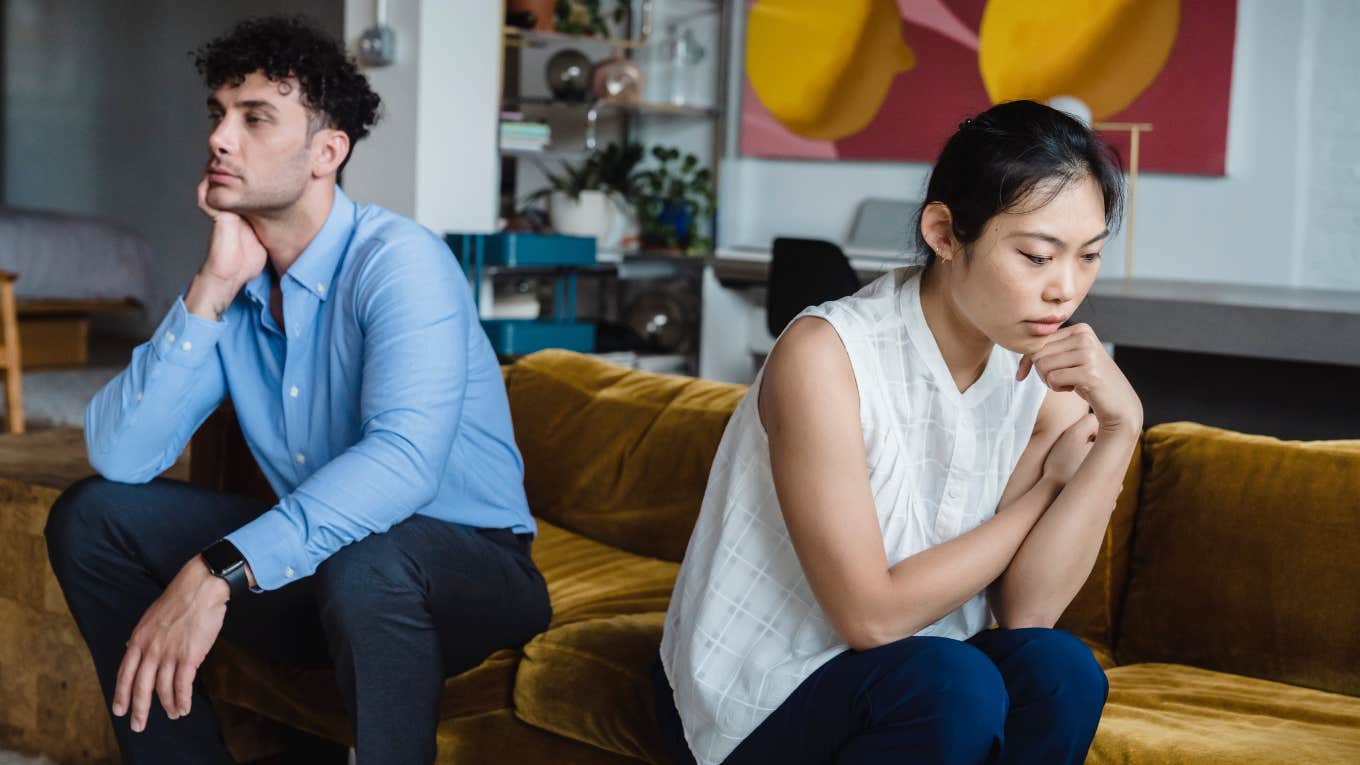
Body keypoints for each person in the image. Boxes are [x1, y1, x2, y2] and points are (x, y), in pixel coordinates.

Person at [44, 15, 550, 765]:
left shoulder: (400, 261)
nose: (220, 137)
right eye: (218, 114)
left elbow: (403, 462)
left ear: (327, 152)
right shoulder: (242, 283)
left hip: (468, 575)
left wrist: (220, 566)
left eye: (254, 118)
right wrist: (212, 289)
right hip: (324, 569)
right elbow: (121, 454)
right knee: (92, 517)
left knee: (371, 560)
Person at [655, 100, 1141, 765]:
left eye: (1088, 258)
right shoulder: (825, 355)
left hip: (917, 675)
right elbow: (871, 617)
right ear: (944, 232)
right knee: (954, 684)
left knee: (1061, 669)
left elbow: (1028, 611)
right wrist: (1044, 491)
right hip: (760, 690)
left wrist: (1118, 432)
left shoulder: (1039, 374)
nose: (1065, 289)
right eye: (1035, 255)